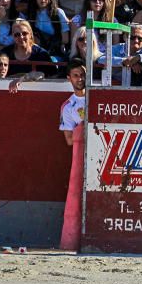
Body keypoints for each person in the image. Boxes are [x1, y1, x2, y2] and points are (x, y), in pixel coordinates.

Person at [59, 58, 87, 250]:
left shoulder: (99, 95)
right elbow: (69, 140)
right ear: (69, 78)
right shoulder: (68, 106)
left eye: (83, 75)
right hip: (81, 155)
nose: (80, 79)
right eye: (76, 75)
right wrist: (83, 129)